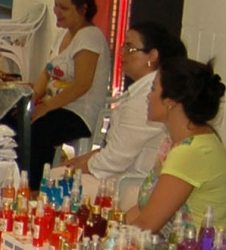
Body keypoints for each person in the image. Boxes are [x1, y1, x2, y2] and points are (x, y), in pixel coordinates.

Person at [19, 0, 111, 188]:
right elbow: (47, 73)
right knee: (16, 120)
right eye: (56, 5)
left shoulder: (90, 38)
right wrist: (32, 101)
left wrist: (45, 107)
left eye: (64, 8)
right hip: (56, 106)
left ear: (82, 9)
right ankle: (15, 177)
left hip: (78, 112)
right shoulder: (63, 34)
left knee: (37, 129)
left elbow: (82, 85)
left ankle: (32, 187)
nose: (57, 11)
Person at [126, 56, 226, 232]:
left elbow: (146, 226)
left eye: (153, 89)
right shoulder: (174, 142)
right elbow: (143, 210)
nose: (148, 96)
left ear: (171, 102)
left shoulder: (191, 152)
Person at [69, 20, 183, 184]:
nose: (122, 52)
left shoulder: (146, 99)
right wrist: (80, 161)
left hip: (130, 184)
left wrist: (76, 168)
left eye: (130, 48)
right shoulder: (142, 91)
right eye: (123, 47)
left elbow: (115, 159)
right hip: (121, 175)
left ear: (152, 56)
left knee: (59, 181)